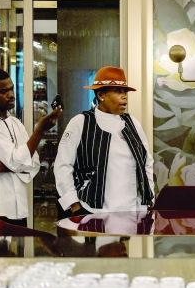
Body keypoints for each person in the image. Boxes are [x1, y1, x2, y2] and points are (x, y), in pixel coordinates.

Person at [54, 66, 154, 216]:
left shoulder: (132, 123)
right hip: (92, 209)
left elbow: (147, 162)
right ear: (101, 95)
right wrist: (74, 205)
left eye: (125, 92)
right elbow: (62, 165)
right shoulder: (81, 122)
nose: (124, 97)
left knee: (127, 241)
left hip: (133, 209)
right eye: (118, 92)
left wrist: (149, 196)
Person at [0, 68, 61, 226]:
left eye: (12, 89)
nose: (11, 95)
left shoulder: (15, 123)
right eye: (3, 91)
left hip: (18, 207)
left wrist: (9, 166)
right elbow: (18, 161)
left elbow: (34, 164)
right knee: (0, 251)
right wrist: (39, 131)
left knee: (19, 251)